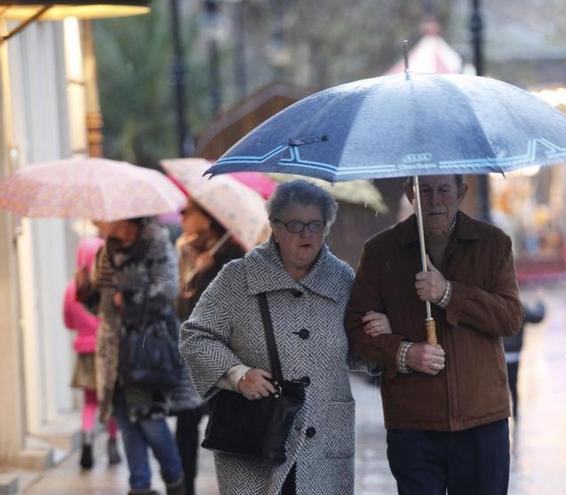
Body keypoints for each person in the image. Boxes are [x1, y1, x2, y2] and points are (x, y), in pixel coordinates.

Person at [180, 180, 379, 495]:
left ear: (327, 228)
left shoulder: (341, 280)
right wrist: (237, 375)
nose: (306, 234)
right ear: (274, 226)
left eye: (316, 224)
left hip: (324, 440)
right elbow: (195, 336)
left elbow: (357, 351)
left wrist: (377, 333)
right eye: (295, 225)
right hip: (257, 440)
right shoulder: (238, 277)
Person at [345, 174, 524, 495]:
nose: (434, 200)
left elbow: (510, 318)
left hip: (481, 420)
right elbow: (356, 329)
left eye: (443, 190)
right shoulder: (381, 251)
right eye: (424, 190)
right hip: (413, 423)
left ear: (462, 192)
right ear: (409, 193)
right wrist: (403, 353)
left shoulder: (493, 243)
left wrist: (448, 294)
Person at [77, 217, 197, 495]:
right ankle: (139, 486)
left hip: (147, 348)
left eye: (102, 218)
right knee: (126, 422)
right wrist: (86, 291)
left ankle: (175, 482)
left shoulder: (154, 240)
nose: (98, 222)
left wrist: (131, 297)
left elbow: (168, 290)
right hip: (114, 353)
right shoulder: (107, 249)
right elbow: (104, 307)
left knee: (151, 421)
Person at [173, 199, 247, 495]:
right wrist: (192, 268)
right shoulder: (189, 251)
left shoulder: (233, 255)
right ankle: (184, 486)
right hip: (195, 353)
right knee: (186, 421)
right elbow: (181, 303)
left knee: (228, 428)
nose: (181, 219)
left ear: (206, 218)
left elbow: (209, 306)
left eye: (187, 213)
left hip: (227, 354)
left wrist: (202, 274)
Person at [64, 236, 120, 470]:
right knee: (110, 399)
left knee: (89, 402)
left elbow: (68, 321)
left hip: (85, 351)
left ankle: (87, 442)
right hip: (107, 351)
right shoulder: (108, 286)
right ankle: (112, 444)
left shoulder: (72, 288)